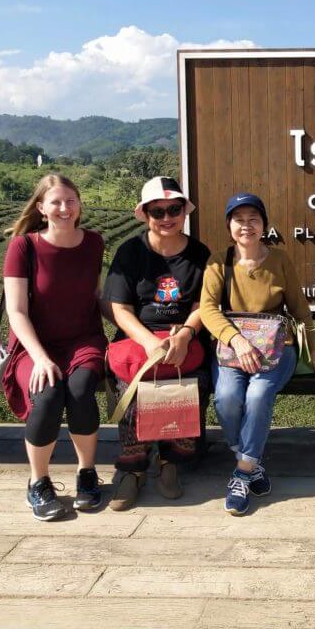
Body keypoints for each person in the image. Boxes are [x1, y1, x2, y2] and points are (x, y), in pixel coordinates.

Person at [199, 192, 315, 515]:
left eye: (253, 219)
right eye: (238, 220)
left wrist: (314, 348)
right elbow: (208, 310)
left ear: (264, 225)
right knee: (227, 397)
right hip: (232, 351)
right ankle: (251, 461)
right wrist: (237, 340)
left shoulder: (280, 260)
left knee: (257, 395)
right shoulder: (218, 262)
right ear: (229, 226)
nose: (246, 226)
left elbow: (300, 308)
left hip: (276, 350)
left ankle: (242, 473)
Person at [2, 174, 108, 521]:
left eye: (71, 201)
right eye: (56, 202)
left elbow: (95, 297)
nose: (64, 208)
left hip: (83, 340)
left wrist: (133, 326)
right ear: (41, 208)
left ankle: (87, 473)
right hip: (35, 345)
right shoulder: (24, 246)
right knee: (47, 394)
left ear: (79, 205)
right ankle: (39, 481)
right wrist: (41, 358)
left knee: (79, 391)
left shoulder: (94, 242)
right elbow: (16, 311)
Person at [103, 177, 211, 511]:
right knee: (129, 382)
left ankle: (171, 460)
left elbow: (201, 306)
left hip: (182, 334)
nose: (167, 217)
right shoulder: (130, 252)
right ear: (146, 215)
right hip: (140, 335)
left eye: (174, 209)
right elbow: (119, 308)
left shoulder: (198, 253)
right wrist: (149, 341)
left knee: (194, 377)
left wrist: (185, 334)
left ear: (184, 211)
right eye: (158, 211)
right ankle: (132, 465)